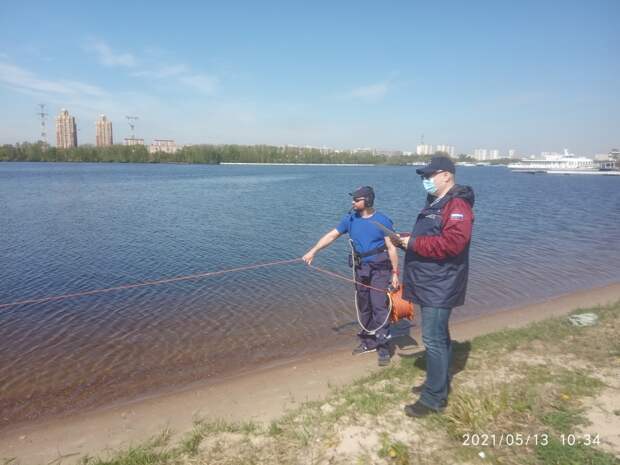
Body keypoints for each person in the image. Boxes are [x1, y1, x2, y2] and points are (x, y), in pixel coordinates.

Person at [391, 156, 474, 417]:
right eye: (423, 176)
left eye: (429, 175)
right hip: (430, 281)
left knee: (433, 339)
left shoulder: (457, 204)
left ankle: (433, 399)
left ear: (447, 175)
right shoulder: (436, 202)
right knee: (440, 336)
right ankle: (438, 382)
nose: (425, 180)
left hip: (441, 284)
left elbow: (452, 244)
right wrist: (406, 239)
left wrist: (411, 244)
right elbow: (431, 237)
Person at [302, 186, 400, 366]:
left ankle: (384, 347)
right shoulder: (350, 219)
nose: (352, 202)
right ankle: (369, 342)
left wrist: (395, 273)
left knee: (379, 305)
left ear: (368, 200)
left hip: (380, 269)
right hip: (360, 268)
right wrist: (313, 251)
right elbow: (332, 235)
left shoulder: (383, 220)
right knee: (364, 306)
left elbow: (392, 248)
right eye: (353, 199)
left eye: (356, 199)